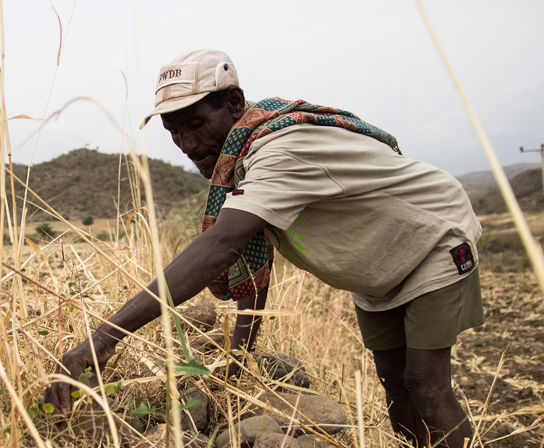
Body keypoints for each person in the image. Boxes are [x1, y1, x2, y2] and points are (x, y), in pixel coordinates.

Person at [45, 49, 483, 447]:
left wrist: (101, 340)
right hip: (380, 266)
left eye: (196, 125)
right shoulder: (244, 163)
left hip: (431, 241)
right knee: (393, 380)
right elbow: (254, 258)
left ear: (234, 103)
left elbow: (223, 245)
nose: (188, 146)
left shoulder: (281, 150)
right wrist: (239, 360)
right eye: (174, 132)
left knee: (424, 382)